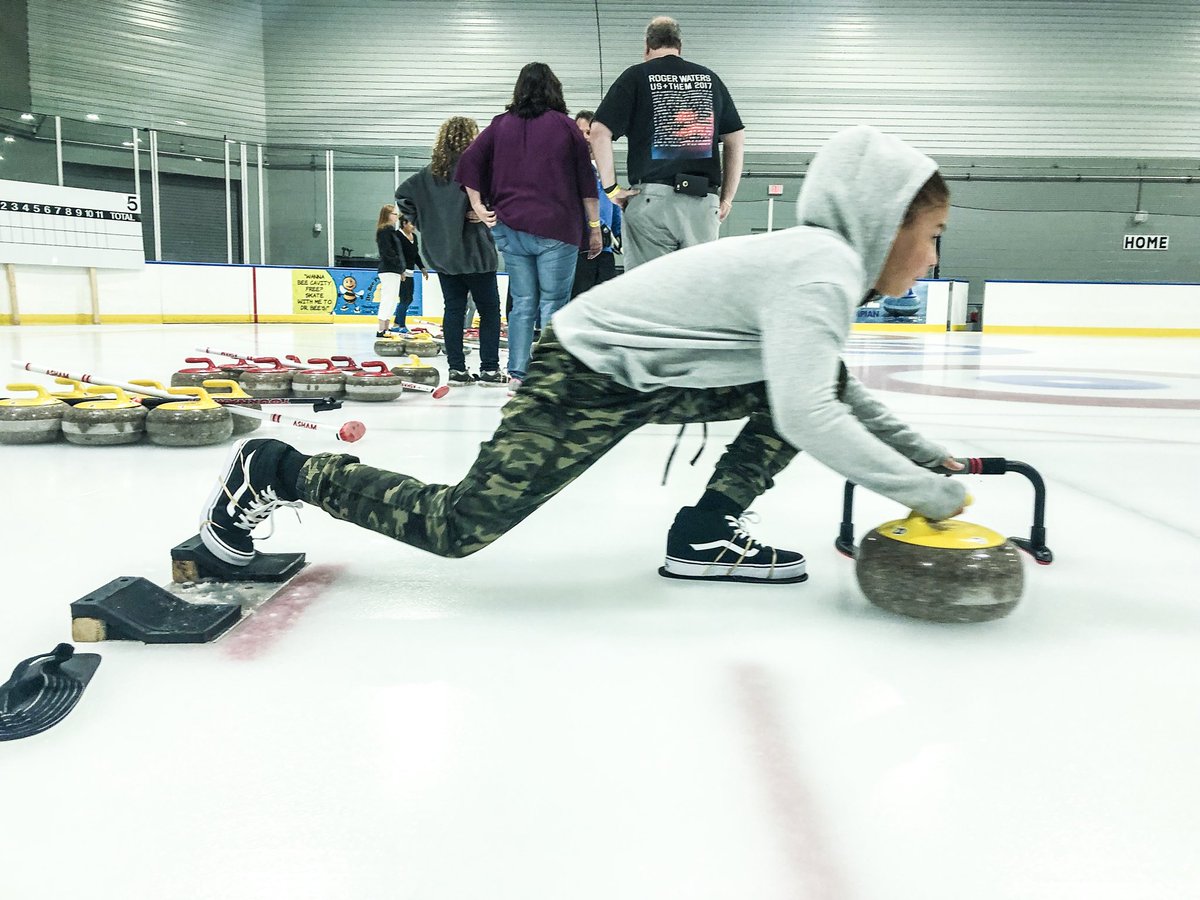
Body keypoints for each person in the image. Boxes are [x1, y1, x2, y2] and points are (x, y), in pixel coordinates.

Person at [198, 126, 968, 588]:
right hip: (588, 368)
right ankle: (277, 470)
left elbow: (826, 394)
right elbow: (812, 413)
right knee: (462, 526)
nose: (932, 261)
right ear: (885, 222)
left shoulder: (819, 265)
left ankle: (705, 534)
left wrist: (935, 461)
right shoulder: (822, 268)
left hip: (651, 377)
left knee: (793, 390)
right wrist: (926, 496)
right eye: (930, 236)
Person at [454, 62, 601, 393]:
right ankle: (547, 375)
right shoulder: (566, 128)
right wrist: (594, 228)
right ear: (555, 89)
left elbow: (468, 162)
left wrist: (478, 205)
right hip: (556, 229)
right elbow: (585, 185)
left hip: (511, 229)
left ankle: (518, 375)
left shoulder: (499, 125)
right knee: (553, 302)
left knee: (522, 302)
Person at [589, 16, 744, 270]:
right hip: (702, 201)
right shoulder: (710, 79)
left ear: (647, 47)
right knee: (695, 290)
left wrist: (611, 189)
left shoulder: (636, 76)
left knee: (647, 292)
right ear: (680, 46)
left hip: (652, 201)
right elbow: (735, 138)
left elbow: (598, 131)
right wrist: (726, 198)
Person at [395, 117, 505, 387]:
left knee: (453, 309)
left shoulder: (429, 173)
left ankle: (456, 370)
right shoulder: (478, 168)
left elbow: (402, 196)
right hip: (476, 253)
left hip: (443, 254)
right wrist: (484, 212)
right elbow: (502, 197)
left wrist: (426, 223)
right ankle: (490, 369)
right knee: (489, 310)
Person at [571, 110, 622, 298]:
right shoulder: (568, 169)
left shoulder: (605, 168)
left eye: (588, 132)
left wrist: (618, 232)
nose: (585, 137)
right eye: (580, 132)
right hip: (580, 250)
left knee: (606, 304)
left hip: (606, 251)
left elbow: (614, 202)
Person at [388, 214, 427, 334]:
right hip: (401, 272)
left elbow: (415, 255)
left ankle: (396, 323)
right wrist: (399, 270)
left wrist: (422, 268)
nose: (414, 226)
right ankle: (401, 325)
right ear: (404, 223)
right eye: (412, 224)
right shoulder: (397, 236)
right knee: (405, 298)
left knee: (408, 299)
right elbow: (394, 254)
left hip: (410, 272)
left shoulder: (414, 236)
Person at [374, 204, 404, 337]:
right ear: (387, 215)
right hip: (389, 269)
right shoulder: (385, 230)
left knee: (392, 298)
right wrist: (398, 265)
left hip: (394, 269)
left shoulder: (390, 230)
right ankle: (381, 328)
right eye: (394, 214)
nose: (397, 217)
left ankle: (386, 326)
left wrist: (400, 269)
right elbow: (388, 251)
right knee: (387, 297)